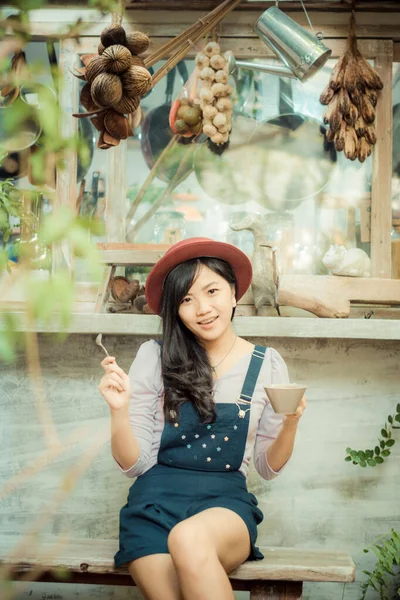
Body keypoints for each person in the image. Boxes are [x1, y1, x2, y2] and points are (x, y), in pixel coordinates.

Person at [98, 237, 306, 600]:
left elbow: (267, 467)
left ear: (234, 294)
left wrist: (291, 422)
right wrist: (118, 412)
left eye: (212, 291)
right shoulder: (155, 356)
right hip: (153, 505)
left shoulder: (266, 364)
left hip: (225, 506)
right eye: (186, 299)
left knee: (189, 537)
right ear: (175, 310)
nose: (202, 308)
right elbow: (134, 465)